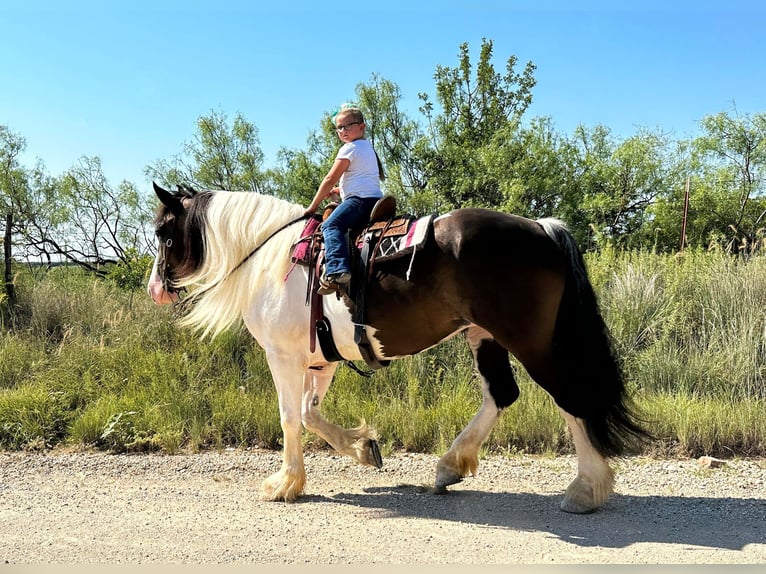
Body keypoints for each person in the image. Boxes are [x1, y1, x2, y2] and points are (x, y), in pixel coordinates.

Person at [304, 104, 385, 295]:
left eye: (348, 126)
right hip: (373, 200)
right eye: (339, 127)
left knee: (330, 226)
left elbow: (329, 178)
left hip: (359, 201)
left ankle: (337, 269)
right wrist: (340, 191)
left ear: (362, 126)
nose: (343, 131)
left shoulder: (349, 149)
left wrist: (312, 206)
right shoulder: (367, 148)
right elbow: (363, 178)